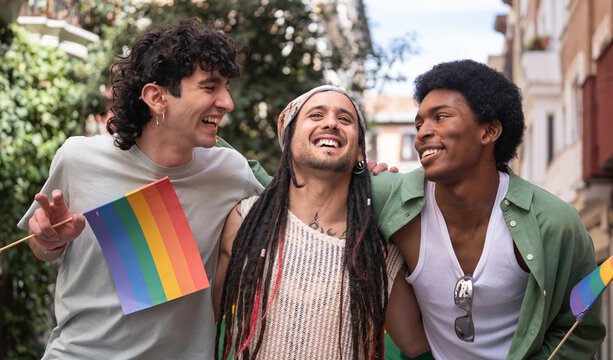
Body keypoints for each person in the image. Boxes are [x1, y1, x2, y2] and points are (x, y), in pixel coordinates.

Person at [18, 18, 263, 359]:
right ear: (156, 97)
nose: (227, 102)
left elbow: (304, 206)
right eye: (210, 87)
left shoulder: (231, 172)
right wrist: (48, 240)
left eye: (226, 88)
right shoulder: (79, 159)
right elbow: (42, 249)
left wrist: (362, 174)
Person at [371, 59, 606, 359]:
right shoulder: (388, 198)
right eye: (419, 124)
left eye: (441, 117)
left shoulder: (554, 222)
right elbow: (328, 178)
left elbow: (579, 330)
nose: (422, 133)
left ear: (489, 131)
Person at [213, 86, 429, 359]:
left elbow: (417, 344)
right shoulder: (244, 221)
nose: (330, 123)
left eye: (345, 119)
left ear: (360, 152)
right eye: (316, 115)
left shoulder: (376, 250)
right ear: (287, 139)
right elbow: (202, 320)